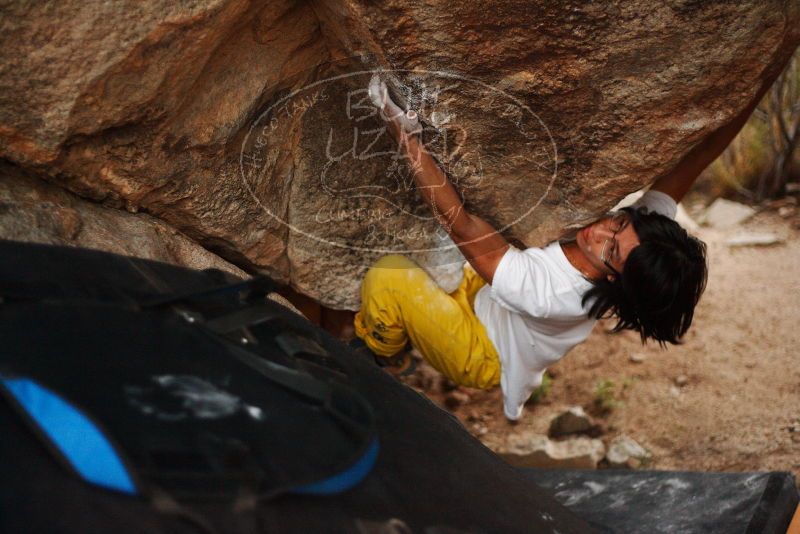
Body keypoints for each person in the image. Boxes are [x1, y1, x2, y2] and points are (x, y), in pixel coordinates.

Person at [353, 75, 756, 421]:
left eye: (610, 250)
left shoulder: (553, 294)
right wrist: (764, 77)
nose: (599, 232)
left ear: (616, 277)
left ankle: (381, 355)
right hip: (489, 295)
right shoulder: (640, 239)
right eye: (618, 222)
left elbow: (457, 219)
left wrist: (402, 132)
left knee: (389, 278)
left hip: (481, 349)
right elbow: (699, 156)